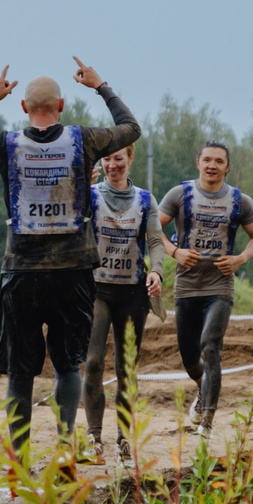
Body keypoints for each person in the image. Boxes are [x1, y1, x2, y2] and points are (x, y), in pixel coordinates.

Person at [0, 61, 141, 454]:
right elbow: (131, 129)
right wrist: (100, 86)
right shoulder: (84, 140)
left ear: (24, 107)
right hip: (73, 272)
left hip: (21, 271)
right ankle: (63, 448)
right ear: (61, 104)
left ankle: (20, 459)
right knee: (68, 364)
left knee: (20, 374)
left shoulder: (5, 144)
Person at [156, 142, 253, 436]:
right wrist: (174, 252)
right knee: (189, 358)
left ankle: (207, 422)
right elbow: (152, 230)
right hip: (186, 287)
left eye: (219, 161)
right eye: (207, 160)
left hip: (220, 285)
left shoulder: (240, 201)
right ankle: (203, 390)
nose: (212, 166)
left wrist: (241, 258)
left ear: (227, 167)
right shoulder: (179, 194)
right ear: (198, 162)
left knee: (211, 346)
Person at [82, 144, 164, 460]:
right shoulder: (90, 195)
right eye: (107, 159)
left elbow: (155, 240)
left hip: (132, 293)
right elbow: (71, 222)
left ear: (130, 159)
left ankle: (124, 438)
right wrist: (79, 187)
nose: (112, 165)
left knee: (126, 368)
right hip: (97, 291)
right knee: (92, 362)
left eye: (119, 158)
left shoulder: (145, 200)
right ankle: (94, 437)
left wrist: (156, 271)